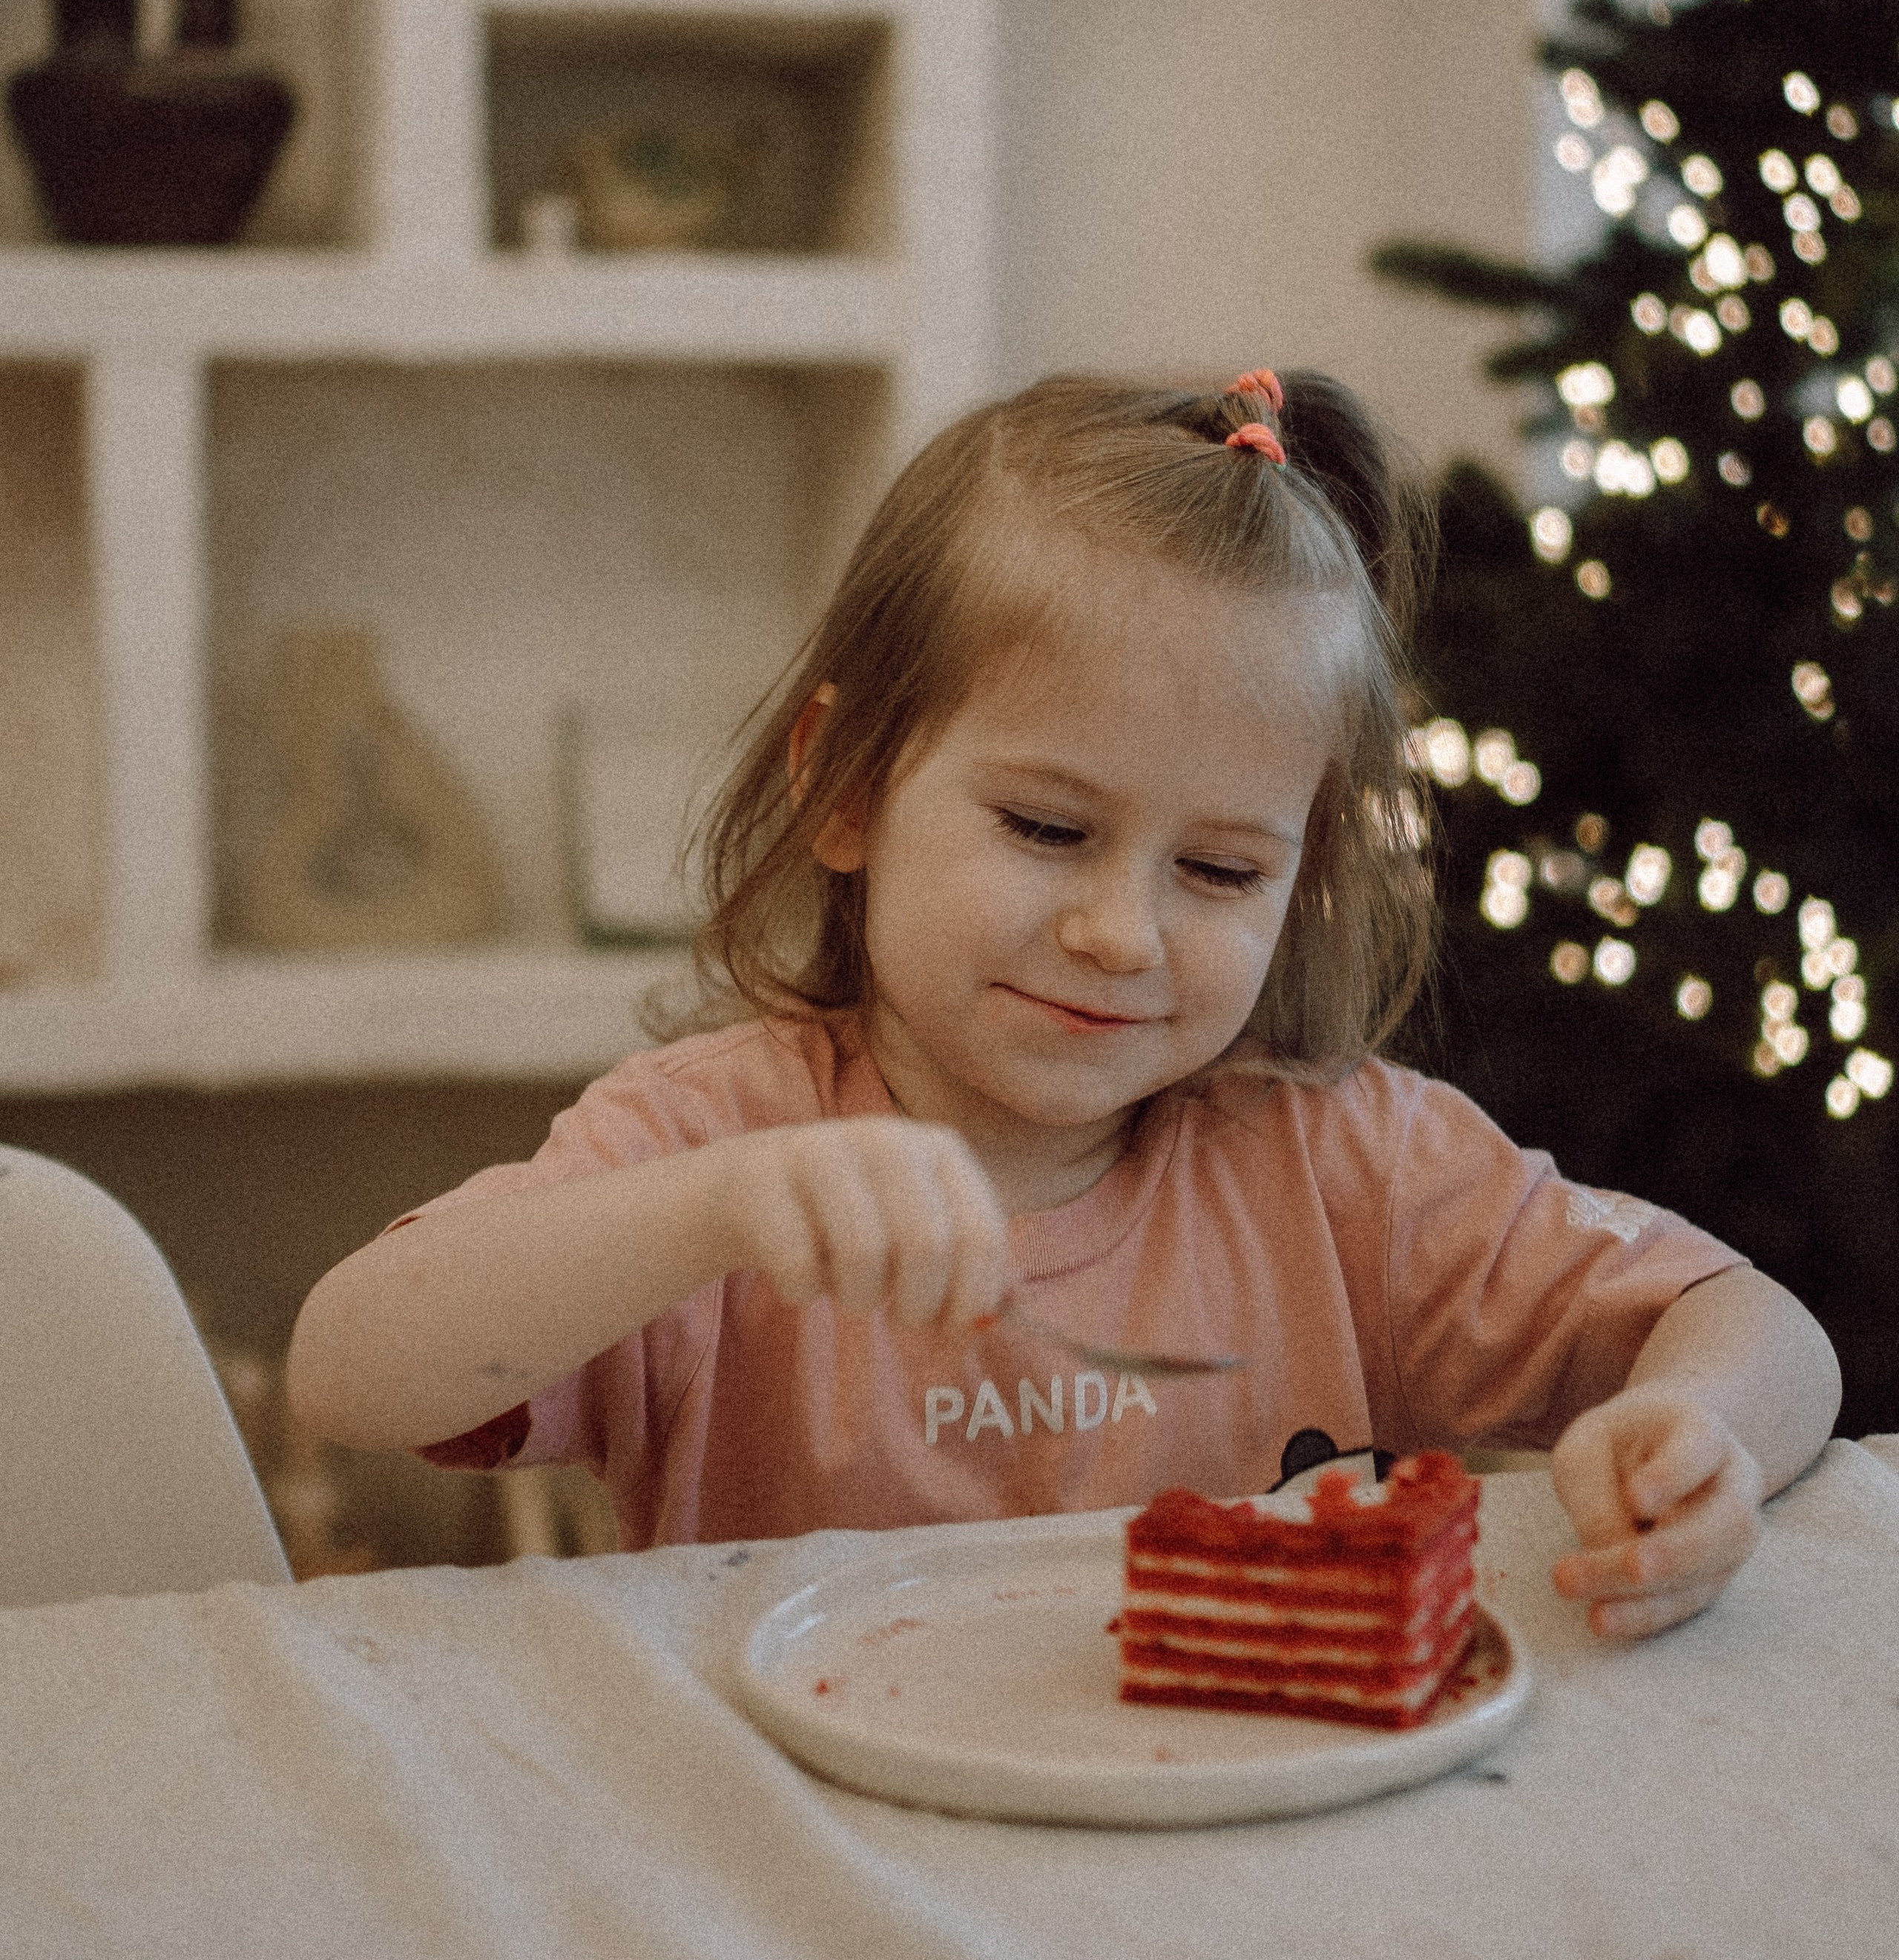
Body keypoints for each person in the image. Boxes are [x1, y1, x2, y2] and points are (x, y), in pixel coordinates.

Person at [289, 369, 1841, 1639]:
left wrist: (1697, 1434)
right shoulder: (719, 1145)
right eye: (1045, 830)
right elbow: (352, 1373)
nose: (1119, 934)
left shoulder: (1346, 1169)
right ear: (843, 787)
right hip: (820, 1881)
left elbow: (1750, 1324)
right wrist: (709, 1213)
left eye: (1219, 872)